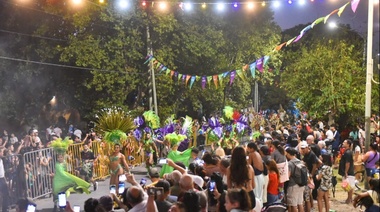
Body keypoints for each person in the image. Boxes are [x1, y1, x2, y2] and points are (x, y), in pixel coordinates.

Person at [50, 137, 91, 212]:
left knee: (62, 192)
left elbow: (65, 172)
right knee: (56, 192)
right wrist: (52, 174)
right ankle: (55, 204)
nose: (60, 158)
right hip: (56, 180)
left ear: (63, 157)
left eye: (61, 157)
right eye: (58, 157)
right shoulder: (55, 164)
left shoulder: (64, 163)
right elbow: (53, 170)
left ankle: (62, 206)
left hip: (63, 180)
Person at [285, 147, 305, 212]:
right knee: (300, 203)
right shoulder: (300, 162)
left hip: (293, 185)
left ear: (288, 154)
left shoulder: (290, 163)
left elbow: (288, 176)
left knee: (293, 204)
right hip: (301, 184)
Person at [338, 139, 355, 204]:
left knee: (349, 186)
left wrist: (346, 172)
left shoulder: (348, 152)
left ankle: (349, 199)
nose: (343, 143)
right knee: (348, 186)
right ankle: (349, 198)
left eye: (344, 142)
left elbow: (347, 163)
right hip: (348, 171)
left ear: (348, 144)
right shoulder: (346, 151)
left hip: (349, 172)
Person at [0, 147, 10, 212]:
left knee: (5, 193)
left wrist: (5, 179)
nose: (2, 153)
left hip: (2, 178)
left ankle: (5, 208)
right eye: (1, 152)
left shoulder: (1, 159)